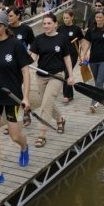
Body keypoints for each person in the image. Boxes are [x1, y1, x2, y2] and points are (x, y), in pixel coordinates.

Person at [0, 11, 33, 188]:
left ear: (5, 26)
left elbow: (26, 72)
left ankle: (24, 147)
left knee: (14, 135)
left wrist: (26, 97)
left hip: (13, 98)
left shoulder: (16, 45)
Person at [29, 13, 74, 148]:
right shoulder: (38, 39)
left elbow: (67, 58)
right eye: (44, 24)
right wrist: (21, 60)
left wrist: (70, 76)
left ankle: (41, 135)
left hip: (57, 75)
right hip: (41, 76)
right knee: (46, 102)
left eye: (49, 23)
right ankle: (60, 119)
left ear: (55, 24)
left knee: (46, 104)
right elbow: (33, 58)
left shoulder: (62, 39)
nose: (46, 26)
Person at [7, 6, 35, 127]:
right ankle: (13, 121)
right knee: (12, 90)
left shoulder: (26, 29)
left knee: (21, 90)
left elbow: (34, 44)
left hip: (22, 64)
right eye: (8, 16)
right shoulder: (6, 28)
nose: (9, 18)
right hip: (9, 64)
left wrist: (30, 54)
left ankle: (26, 113)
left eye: (11, 15)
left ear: (18, 16)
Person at [83, 11, 104, 112]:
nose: (98, 19)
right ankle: (103, 99)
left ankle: (94, 103)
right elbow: (87, 42)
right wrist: (85, 53)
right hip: (93, 59)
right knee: (97, 82)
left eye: (100, 17)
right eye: (97, 17)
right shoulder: (91, 30)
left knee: (99, 82)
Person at [57, 10, 86, 103]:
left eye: (67, 18)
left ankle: (67, 95)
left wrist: (83, 54)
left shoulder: (76, 29)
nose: (65, 20)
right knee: (64, 73)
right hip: (62, 54)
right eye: (64, 18)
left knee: (67, 73)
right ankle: (70, 94)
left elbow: (82, 41)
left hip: (72, 54)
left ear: (72, 17)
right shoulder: (60, 28)